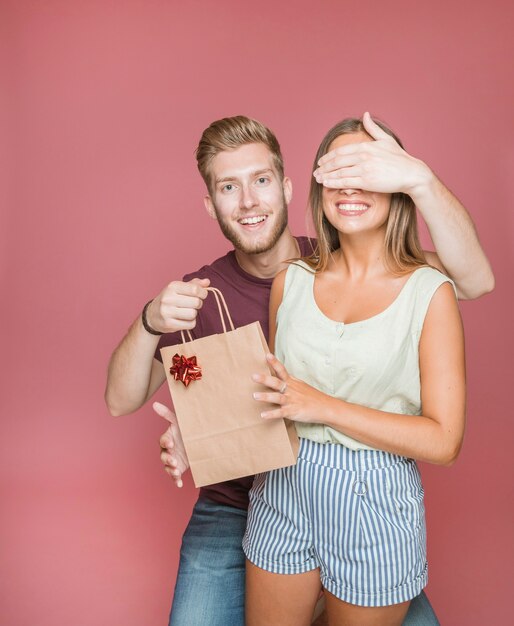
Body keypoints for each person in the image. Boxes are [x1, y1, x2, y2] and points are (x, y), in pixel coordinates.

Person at [105, 114, 493, 626]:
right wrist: (194, 421)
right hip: (239, 501)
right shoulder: (202, 295)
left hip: (359, 493)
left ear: (288, 187)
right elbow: (122, 400)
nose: (248, 202)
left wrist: (416, 177)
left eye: (261, 181)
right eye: (229, 187)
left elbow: (473, 279)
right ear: (210, 203)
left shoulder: (351, 250)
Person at [243, 117, 466, 625]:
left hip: (376, 500)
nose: (348, 186)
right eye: (336, 172)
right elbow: (274, 400)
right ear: (319, 187)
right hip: (282, 486)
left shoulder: (430, 292)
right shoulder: (291, 280)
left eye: (365, 172)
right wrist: (202, 438)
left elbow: (444, 441)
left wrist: (322, 406)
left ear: (396, 188)